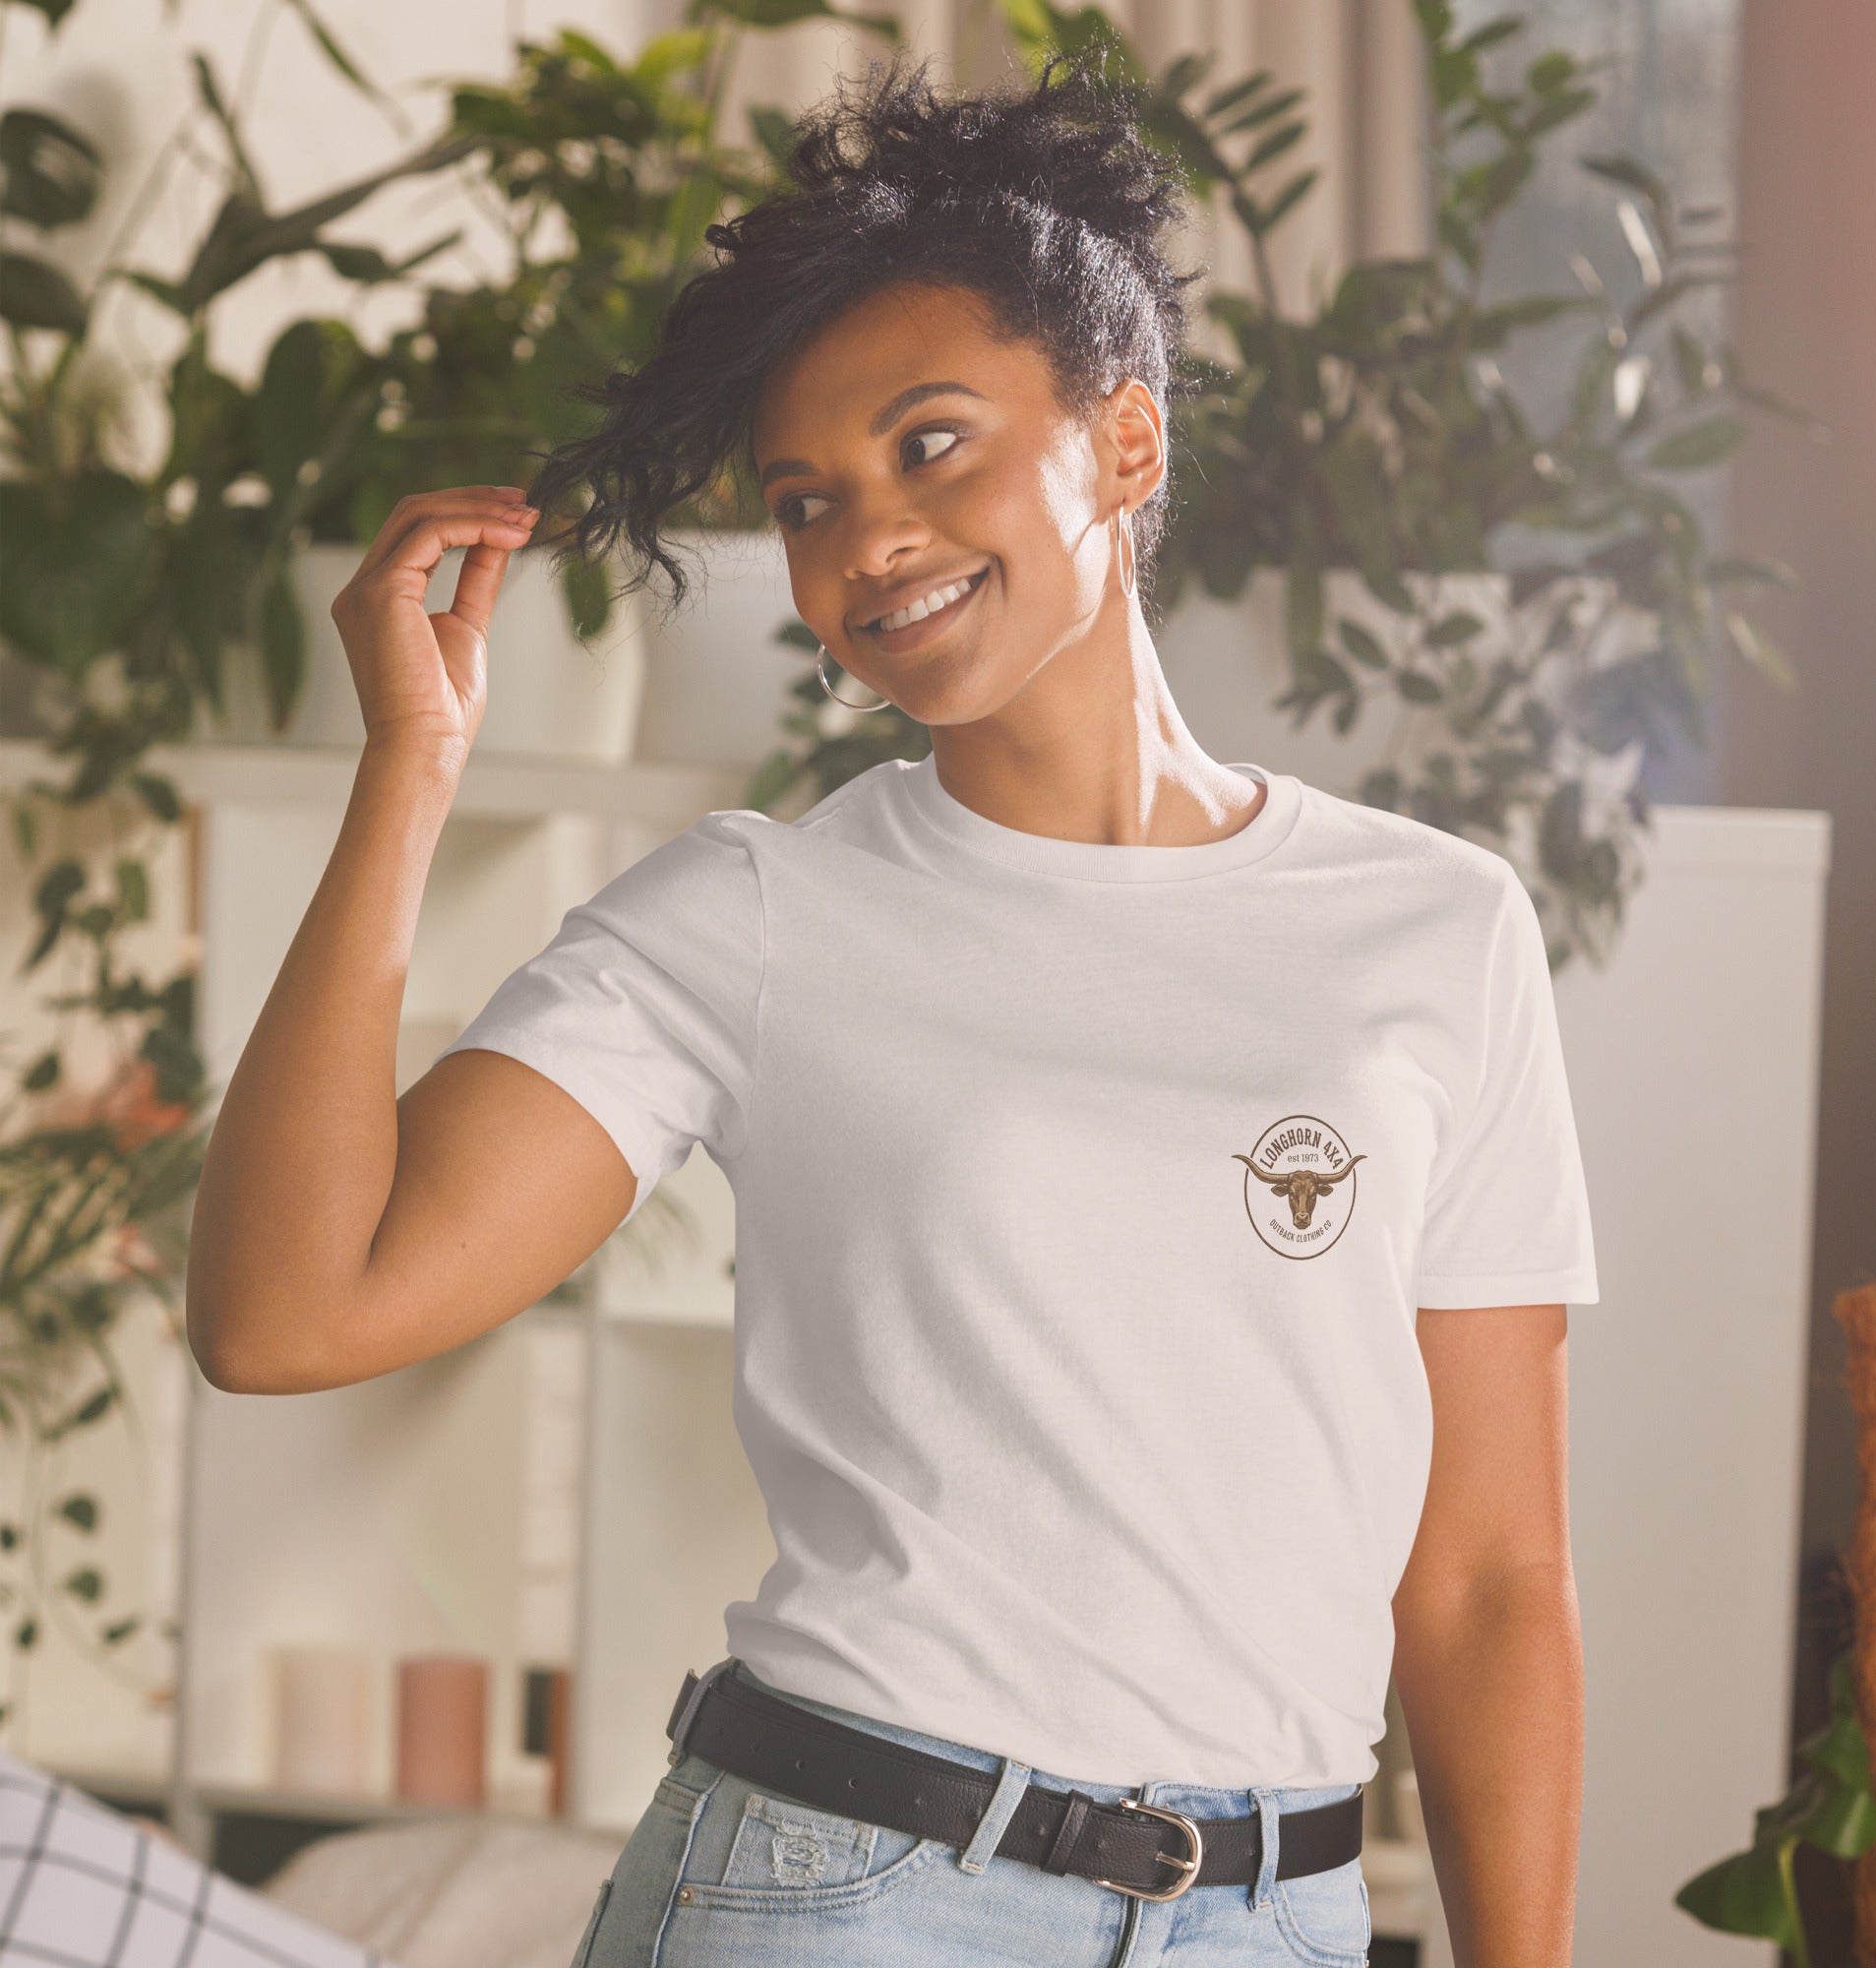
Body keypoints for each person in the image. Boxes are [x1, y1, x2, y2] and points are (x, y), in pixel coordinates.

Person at [184, 49, 1599, 1968]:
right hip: (845, 1892)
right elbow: (287, 1311)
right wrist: (411, 774)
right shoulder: (755, 915)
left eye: (929, 444)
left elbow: (1493, 1574)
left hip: (1281, 1916)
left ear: (1123, 441)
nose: (866, 544)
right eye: (804, 501)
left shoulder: (1434, 927)